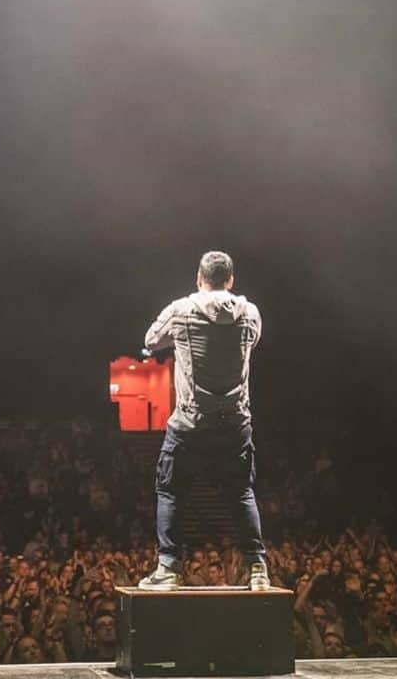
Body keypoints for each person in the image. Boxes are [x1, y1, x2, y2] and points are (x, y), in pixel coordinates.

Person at [138, 250, 267, 591]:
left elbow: (151, 341)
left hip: (191, 423)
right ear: (231, 280)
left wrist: (178, 341)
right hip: (235, 421)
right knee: (241, 491)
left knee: (170, 491)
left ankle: (167, 568)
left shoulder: (181, 310)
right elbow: (253, 343)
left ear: (199, 278)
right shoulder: (250, 313)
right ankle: (257, 568)